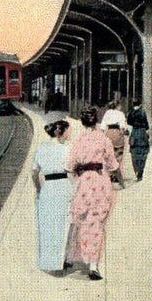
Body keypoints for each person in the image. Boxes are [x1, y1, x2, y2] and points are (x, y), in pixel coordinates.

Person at [65, 106, 119, 281]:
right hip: (100, 182)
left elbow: (69, 166)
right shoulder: (104, 140)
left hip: (83, 183)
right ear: (96, 121)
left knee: (78, 219)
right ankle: (93, 265)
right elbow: (112, 165)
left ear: (82, 122)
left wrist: (76, 177)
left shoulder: (78, 141)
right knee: (96, 224)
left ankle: (69, 257)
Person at [31, 119, 74, 274]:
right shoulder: (67, 149)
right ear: (61, 132)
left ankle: (47, 262)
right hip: (62, 185)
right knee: (63, 225)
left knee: (47, 226)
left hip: (47, 187)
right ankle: (60, 262)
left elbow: (35, 173)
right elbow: (72, 170)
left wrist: (39, 189)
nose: (71, 134)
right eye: (69, 130)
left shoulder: (41, 149)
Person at [100, 99, 129, 188]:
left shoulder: (107, 113)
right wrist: (124, 132)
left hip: (108, 133)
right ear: (118, 106)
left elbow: (102, 126)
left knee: (108, 154)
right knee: (118, 154)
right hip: (117, 133)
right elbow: (122, 126)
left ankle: (109, 174)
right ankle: (116, 175)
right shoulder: (120, 114)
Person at [127, 99, 151, 181]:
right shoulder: (142, 112)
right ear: (140, 104)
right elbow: (146, 124)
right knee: (143, 151)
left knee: (134, 152)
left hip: (134, 132)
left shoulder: (130, 113)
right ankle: (141, 170)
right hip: (142, 133)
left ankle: (136, 169)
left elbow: (128, 122)